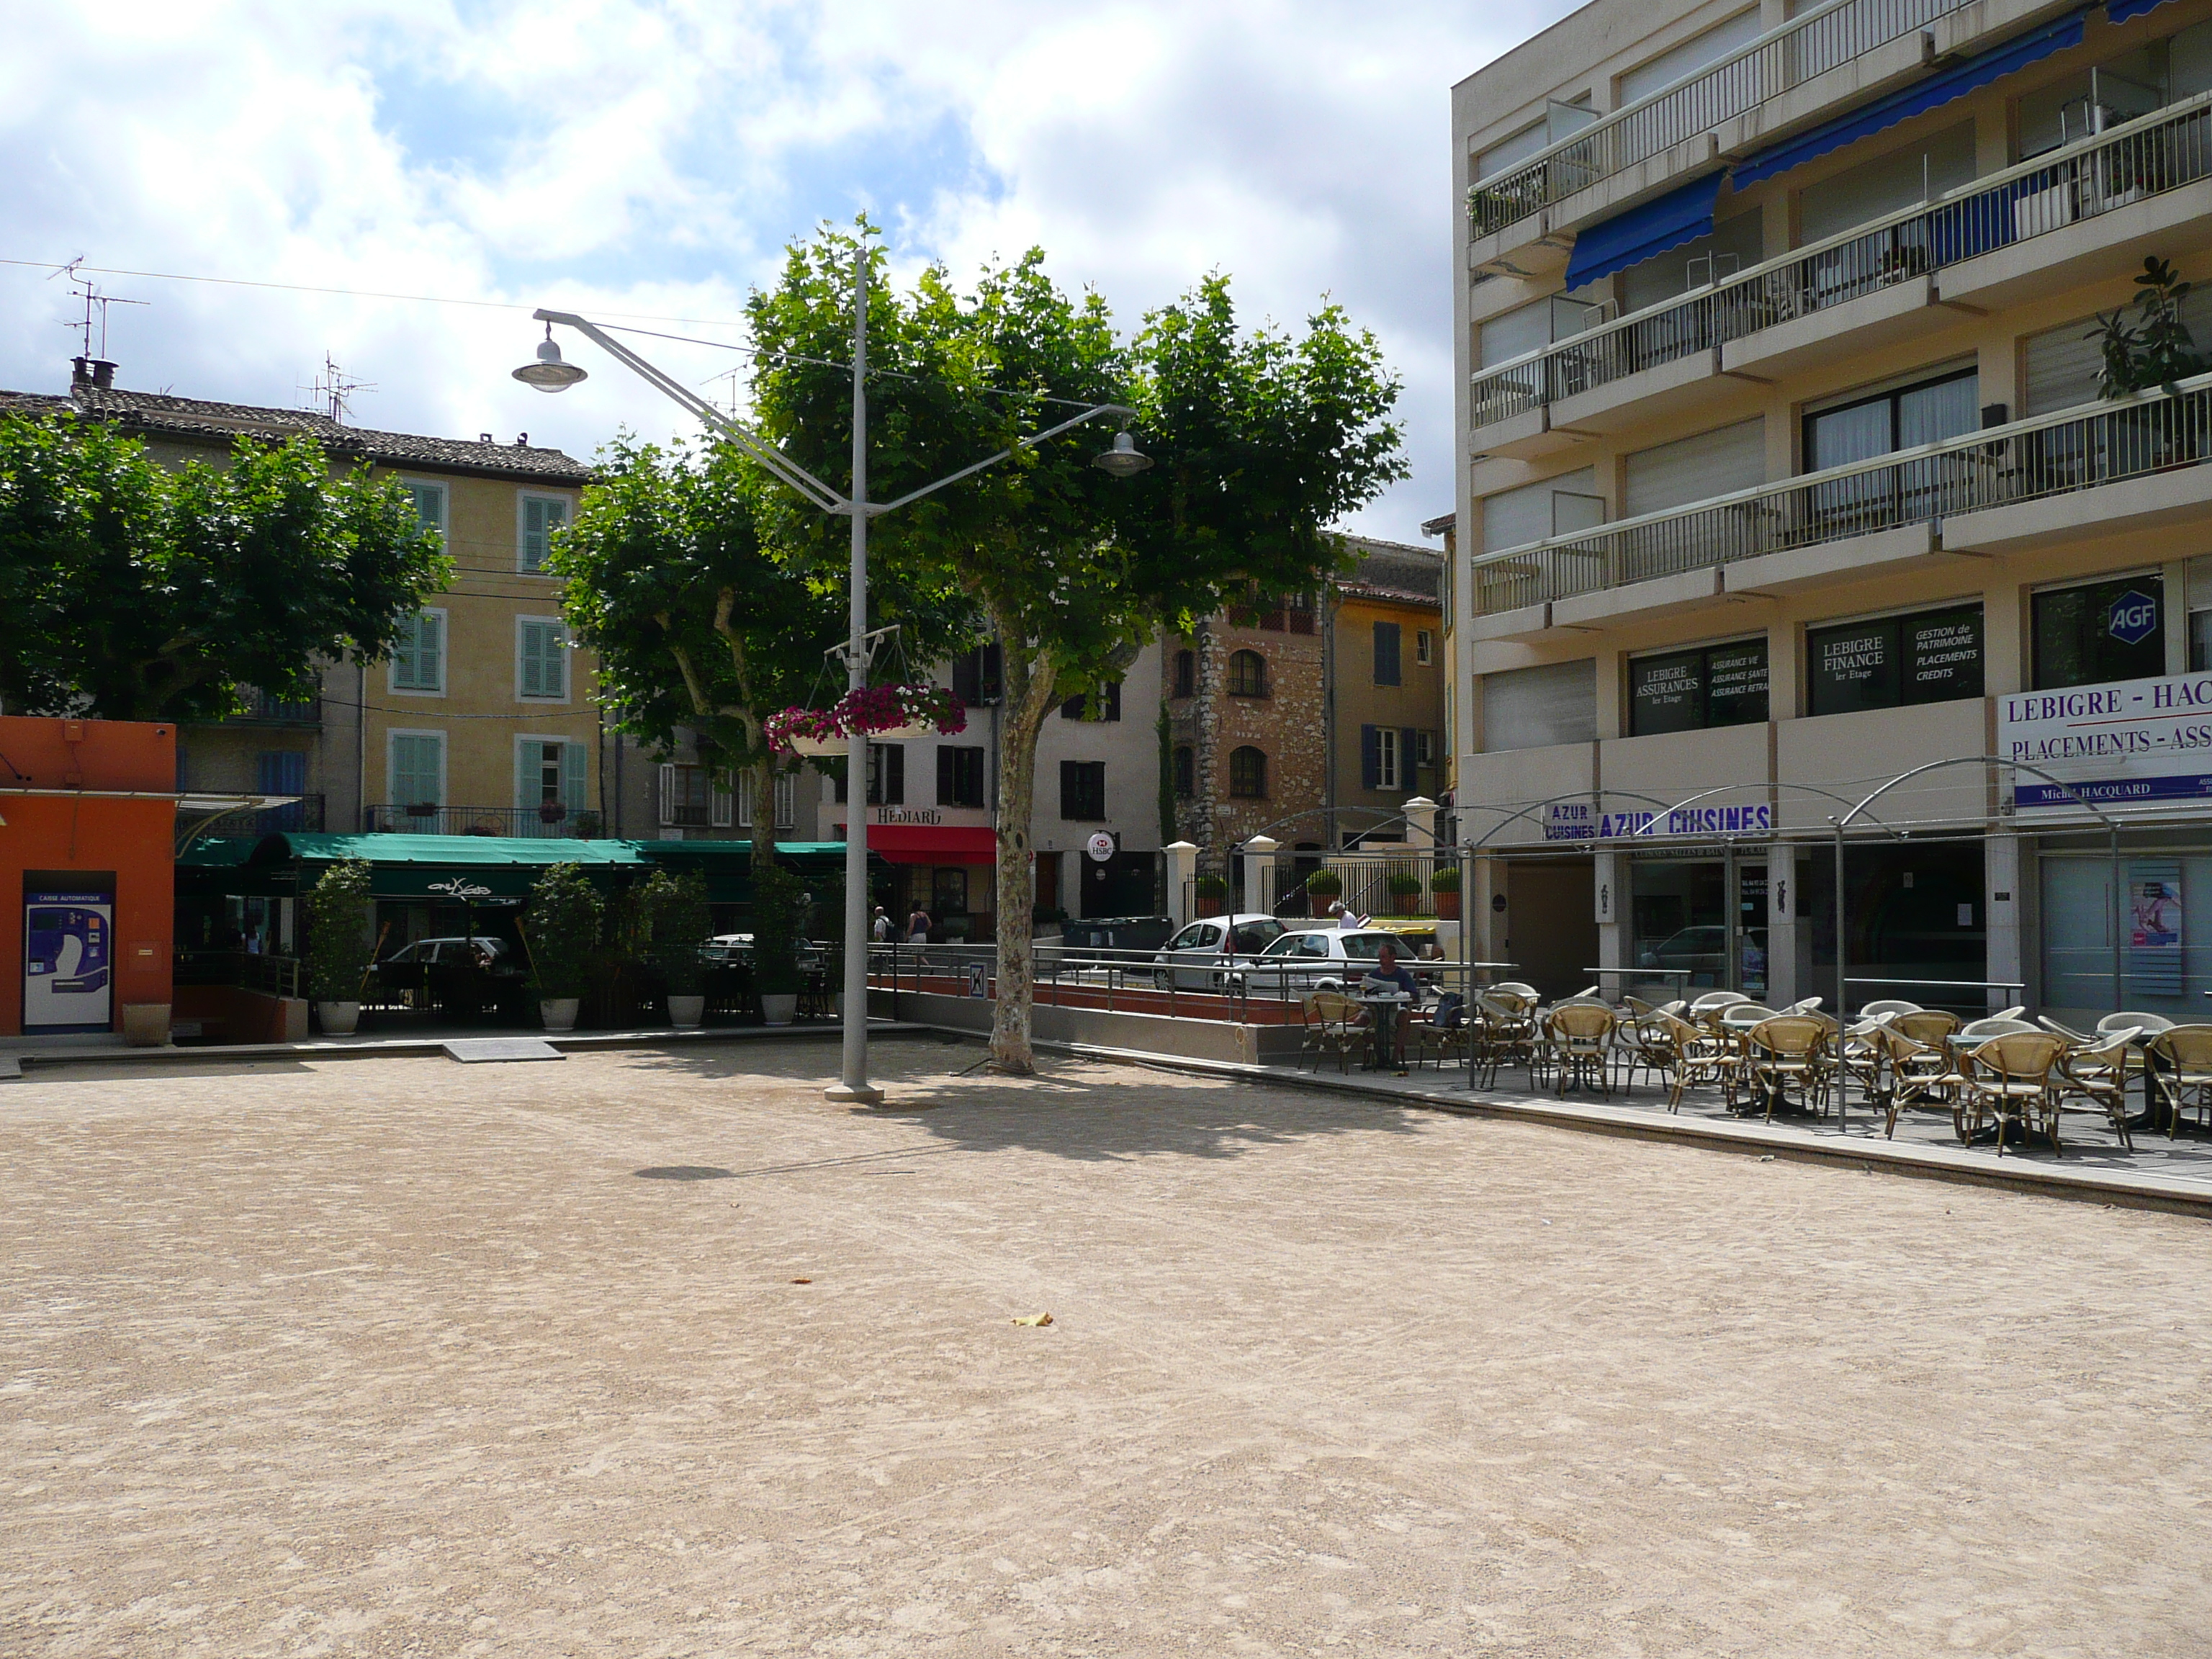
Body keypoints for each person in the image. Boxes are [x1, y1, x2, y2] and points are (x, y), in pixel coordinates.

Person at [1357, 940, 1423, 1074]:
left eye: (1384, 957)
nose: (1381, 961)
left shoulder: (1402, 974)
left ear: (1393, 958)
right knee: (1358, 1022)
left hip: (1394, 1010)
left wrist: (1403, 995)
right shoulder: (1374, 973)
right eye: (1380, 957)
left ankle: (1394, 1058)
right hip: (1375, 1010)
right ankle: (1380, 1054)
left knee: (1404, 1017)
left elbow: (1415, 996)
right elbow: (1364, 994)